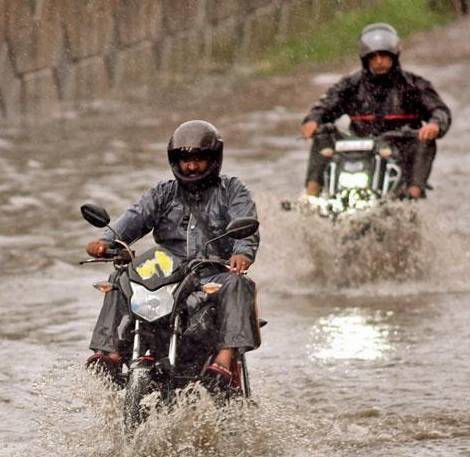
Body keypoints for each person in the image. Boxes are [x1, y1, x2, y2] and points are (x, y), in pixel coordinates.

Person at [85, 120, 260, 392]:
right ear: (174, 160)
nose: (191, 166)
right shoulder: (163, 193)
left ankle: (224, 360)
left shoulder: (232, 190)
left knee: (239, 282)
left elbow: (245, 225)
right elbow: (131, 220)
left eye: (199, 159)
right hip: (167, 276)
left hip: (210, 277)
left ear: (214, 159)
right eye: (185, 160)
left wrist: (242, 253)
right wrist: (106, 241)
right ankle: (110, 353)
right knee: (119, 277)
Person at [300, 23, 451, 200]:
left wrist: (435, 124)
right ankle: (311, 195)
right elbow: (326, 105)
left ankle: (413, 195)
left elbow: (439, 110)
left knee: (425, 140)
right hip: (359, 144)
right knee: (322, 134)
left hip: (399, 144)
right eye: (373, 57)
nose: (379, 61)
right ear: (366, 59)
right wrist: (313, 120)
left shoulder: (413, 85)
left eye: (384, 56)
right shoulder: (351, 85)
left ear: (394, 56)